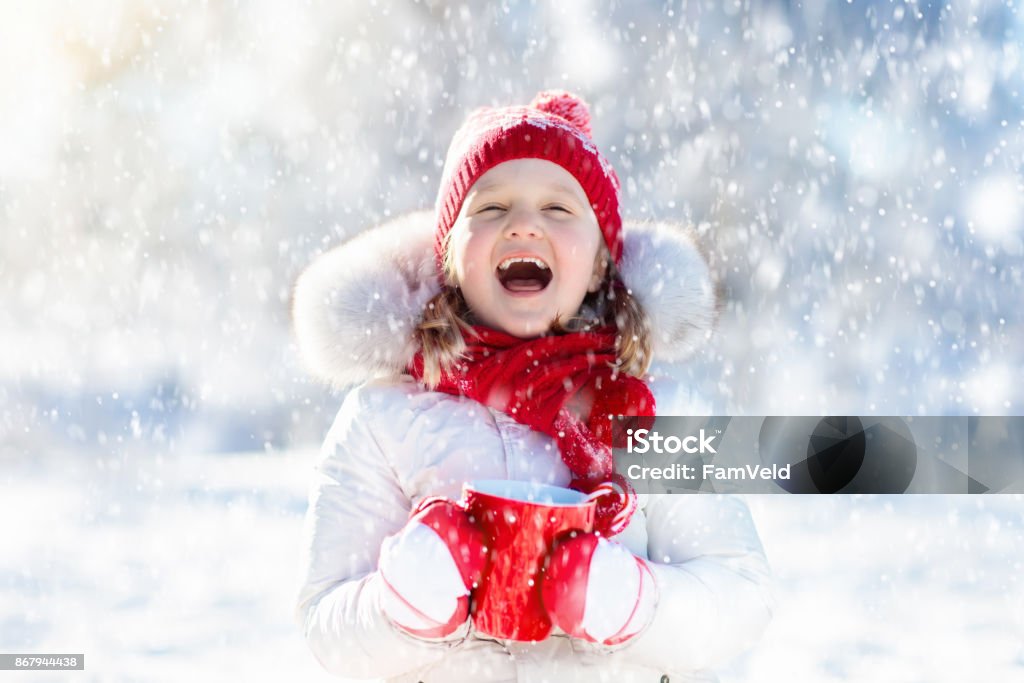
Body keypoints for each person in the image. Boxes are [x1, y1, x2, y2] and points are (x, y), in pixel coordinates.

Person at [291, 90, 774, 682]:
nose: (523, 224)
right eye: (490, 208)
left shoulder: (660, 414)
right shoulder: (382, 417)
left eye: (559, 209)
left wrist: (633, 604)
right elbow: (325, 620)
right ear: (448, 254)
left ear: (600, 261)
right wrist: (403, 603)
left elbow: (740, 594)